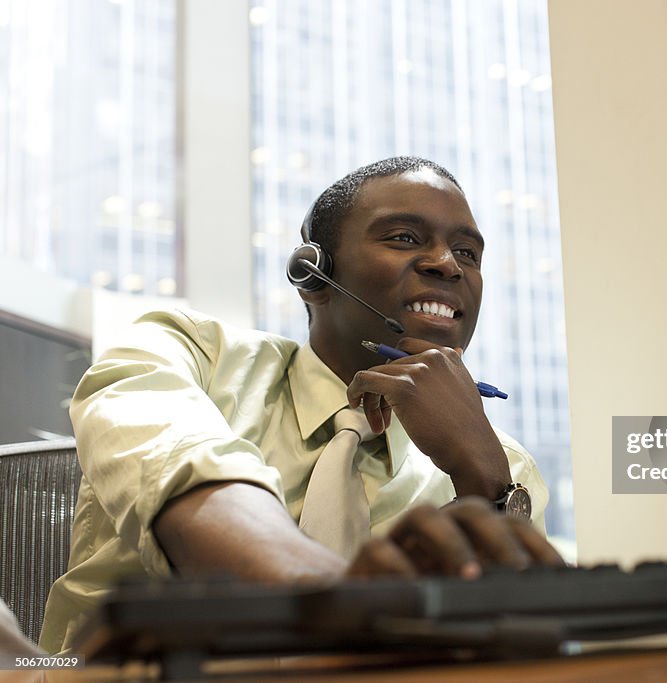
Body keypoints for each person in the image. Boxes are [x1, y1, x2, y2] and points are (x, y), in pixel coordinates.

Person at [40, 156, 562, 654]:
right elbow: (195, 491)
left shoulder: (504, 462)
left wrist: (488, 484)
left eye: (468, 253)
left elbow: (525, 645)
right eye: (405, 238)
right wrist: (343, 604)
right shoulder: (189, 355)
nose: (447, 265)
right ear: (313, 275)